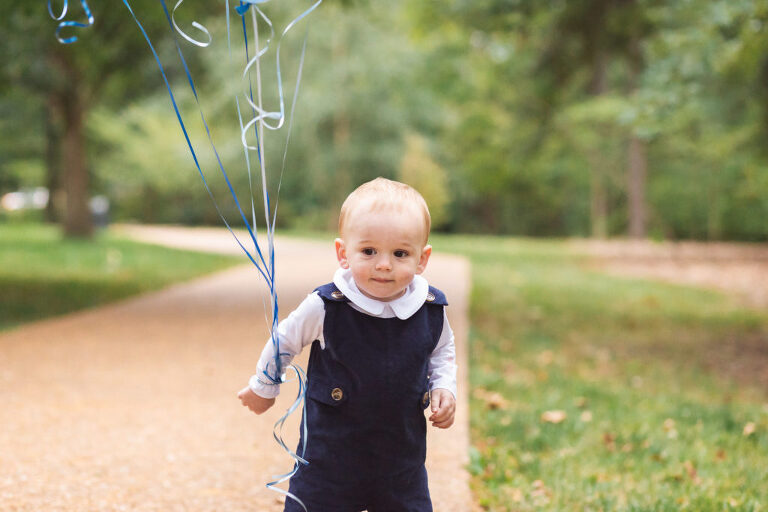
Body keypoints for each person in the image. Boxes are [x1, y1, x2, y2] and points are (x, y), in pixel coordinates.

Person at [238, 177, 457, 512]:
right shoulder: (327, 305)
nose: (384, 264)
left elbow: (441, 351)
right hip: (329, 461)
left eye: (400, 253)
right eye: (369, 251)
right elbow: (285, 339)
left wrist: (444, 386)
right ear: (343, 253)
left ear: (422, 259)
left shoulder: (430, 310)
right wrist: (264, 386)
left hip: (401, 461)